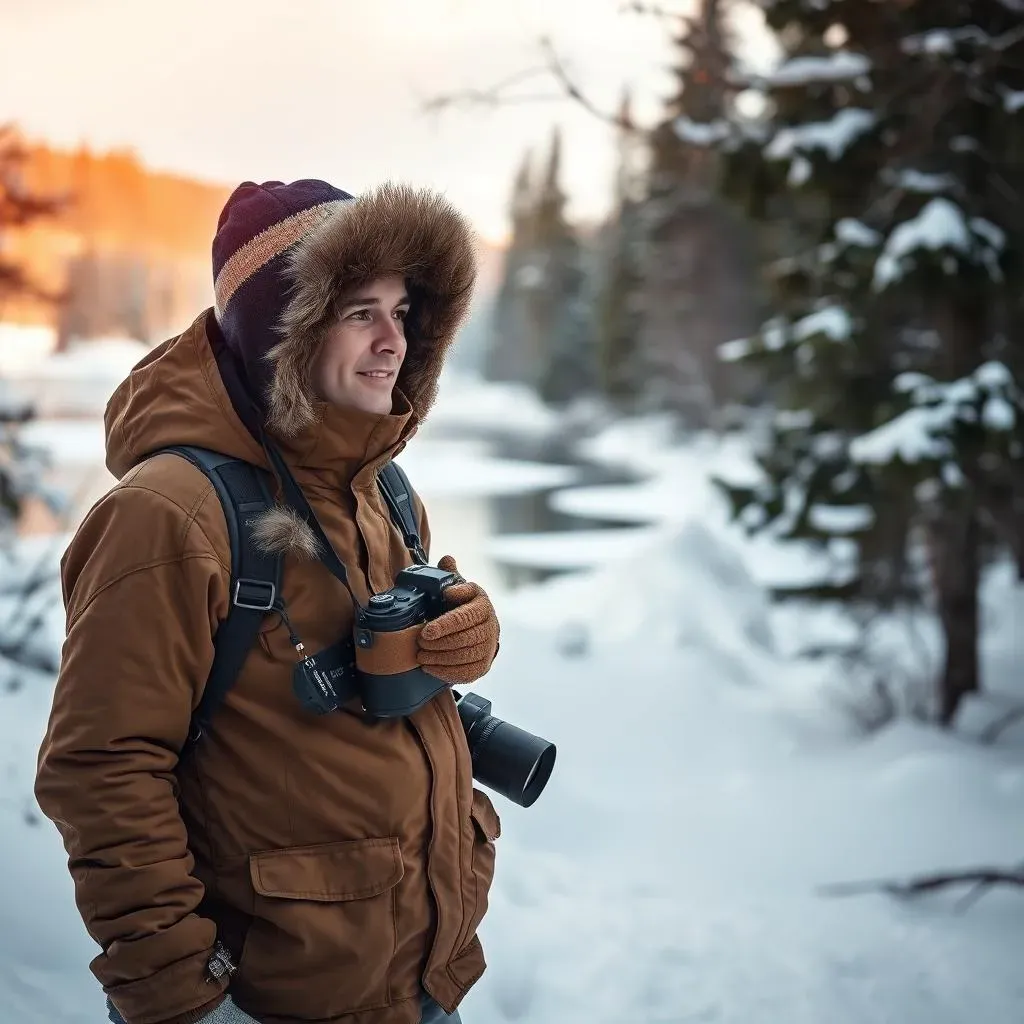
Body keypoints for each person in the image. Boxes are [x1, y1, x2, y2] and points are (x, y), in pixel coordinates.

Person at [34, 179, 503, 1024]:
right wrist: (181, 997)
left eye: (402, 311)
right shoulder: (168, 514)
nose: (393, 340)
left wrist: (451, 639)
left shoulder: (382, 490)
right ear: (281, 328)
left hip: (416, 987)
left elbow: (356, 704)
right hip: (268, 1003)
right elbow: (101, 770)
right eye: (360, 310)